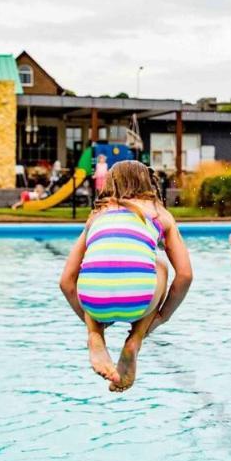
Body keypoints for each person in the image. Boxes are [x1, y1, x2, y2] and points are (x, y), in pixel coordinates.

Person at [59, 160, 193, 392]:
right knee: (160, 264)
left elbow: (66, 282)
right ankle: (135, 340)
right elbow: (185, 275)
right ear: (149, 183)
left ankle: (95, 337)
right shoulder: (160, 214)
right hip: (140, 301)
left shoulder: (96, 215)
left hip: (94, 302)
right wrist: (162, 317)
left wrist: (91, 324)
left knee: (91, 269)